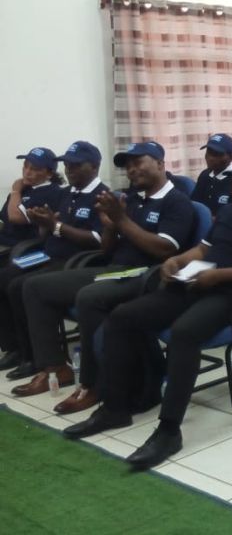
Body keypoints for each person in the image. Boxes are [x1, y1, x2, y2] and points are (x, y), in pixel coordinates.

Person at [61, 157, 232, 464]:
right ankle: (116, 408)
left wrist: (219, 275)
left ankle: (169, 430)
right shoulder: (229, 212)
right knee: (123, 316)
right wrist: (176, 261)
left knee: (184, 333)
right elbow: (203, 249)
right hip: (201, 282)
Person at [14, 142, 196, 408]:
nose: (131, 170)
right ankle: (55, 368)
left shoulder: (177, 202)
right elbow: (107, 250)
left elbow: (164, 249)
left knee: (90, 297)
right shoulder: (131, 199)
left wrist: (121, 220)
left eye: (138, 163)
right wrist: (110, 226)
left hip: (147, 275)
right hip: (114, 269)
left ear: (160, 164)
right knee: (33, 286)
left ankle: (92, 384)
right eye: (128, 166)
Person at [0, 142, 108, 375]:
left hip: (72, 260)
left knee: (20, 286)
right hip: (45, 255)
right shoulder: (67, 193)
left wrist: (55, 225)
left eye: (76, 165)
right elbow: (48, 229)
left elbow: (98, 240)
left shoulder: (103, 196)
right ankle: (16, 348)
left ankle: (34, 357)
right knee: (5, 276)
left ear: (94, 166)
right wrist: (44, 222)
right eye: (67, 165)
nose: (69, 170)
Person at [0, 147, 64, 251]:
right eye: (25, 166)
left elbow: (15, 217)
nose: (27, 172)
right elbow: (4, 220)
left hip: (19, 248)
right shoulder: (23, 188)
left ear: (49, 174)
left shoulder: (53, 193)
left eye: (35, 169)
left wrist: (15, 191)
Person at [190, 134, 232, 215]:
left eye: (217, 154)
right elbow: (193, 204)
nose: (210, 158)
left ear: (231, 158)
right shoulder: (205, 175)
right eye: (209, 152)